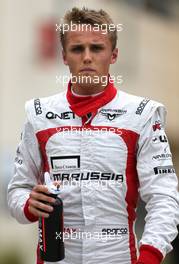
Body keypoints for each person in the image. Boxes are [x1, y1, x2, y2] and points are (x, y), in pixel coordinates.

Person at [7, 7, 179, 264]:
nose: (87, 57)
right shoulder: (39, 113)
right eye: (77, 49)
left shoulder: (142, 113)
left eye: (96, 48)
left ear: (113, 55)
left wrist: (150, 256)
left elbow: (164, 196)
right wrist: (28, 204)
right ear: (64, 56)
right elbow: (17, 190)